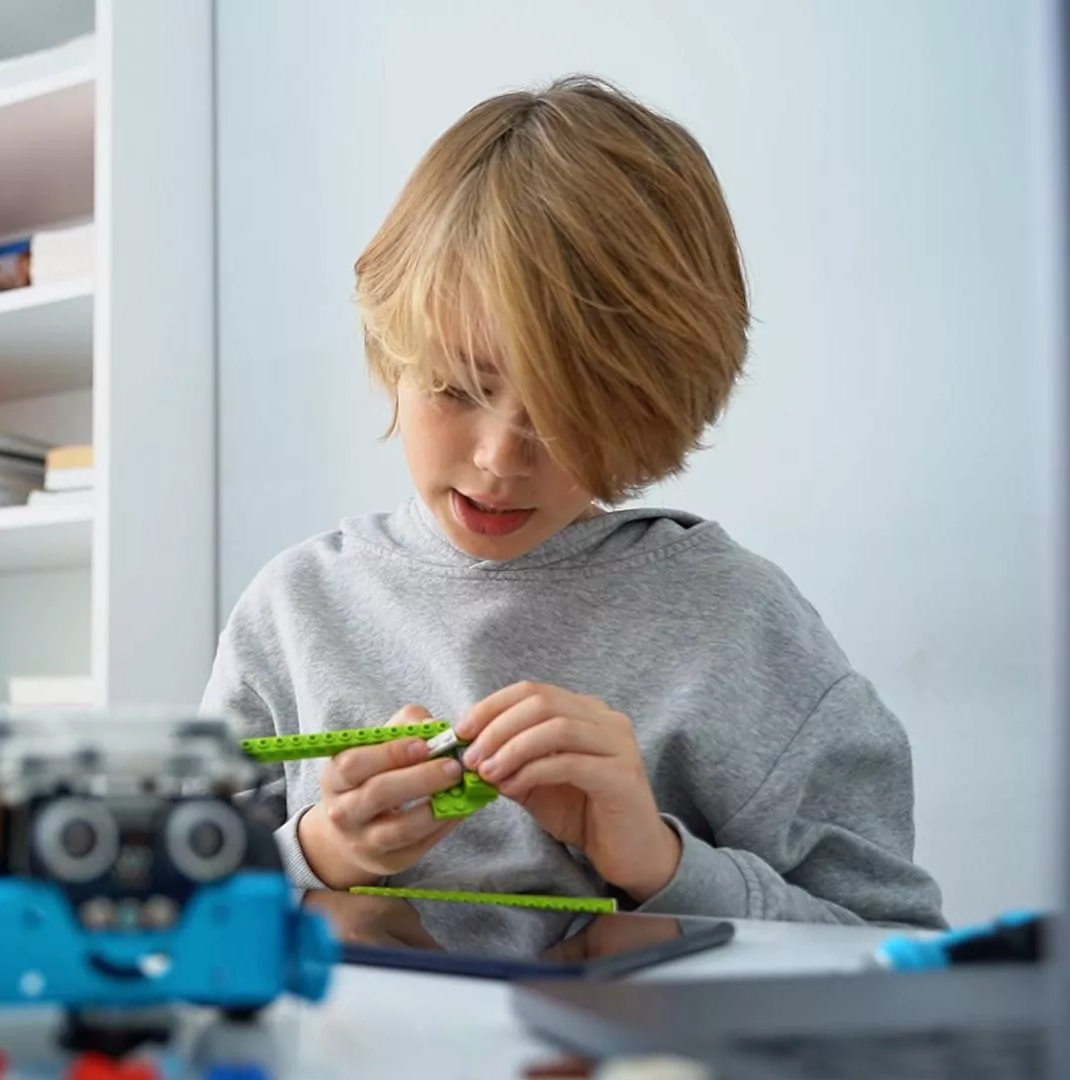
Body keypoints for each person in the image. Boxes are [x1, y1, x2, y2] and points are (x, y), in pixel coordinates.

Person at [202, 76, 946, 928]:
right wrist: (323, 852)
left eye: (565, 414)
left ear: (653, 403)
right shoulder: (295, 612)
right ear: (390, 351)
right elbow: (153, 901)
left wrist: (662, 868)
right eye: (454, 388)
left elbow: (894, 950)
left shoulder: (740, 626)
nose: (497, 460)